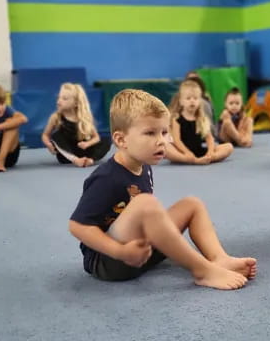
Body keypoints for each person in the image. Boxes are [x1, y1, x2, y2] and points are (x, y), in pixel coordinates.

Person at [69, 89, 256, 289]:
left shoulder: (144, 166)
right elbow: (77, 226)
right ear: (121, 140)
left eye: (164, 132)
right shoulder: (106, 177)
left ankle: (219, 258)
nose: (161, 141)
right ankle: (202, 271)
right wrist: (119, 251)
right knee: (145, 203)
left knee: (191, 204)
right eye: (150, 133)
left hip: (141, 251)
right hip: (109, 261)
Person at [41, 83, 110, 167]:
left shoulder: (84, 118)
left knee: (106, 141)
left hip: (84, 151)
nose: (58, 101)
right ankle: (76, 160)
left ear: (76, 103)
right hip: (67, 154)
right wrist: (48, 144)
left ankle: (90, 160)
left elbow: (96, 137)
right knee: (56, 135)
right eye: (58, 98)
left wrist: (87, 144)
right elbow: (45, 135)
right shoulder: (56, 117)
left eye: (64, 99)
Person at [165, 80, 233, 165]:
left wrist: (210, 152)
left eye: (195, 98)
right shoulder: (177, 119)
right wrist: (187, 153)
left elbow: (209, 139)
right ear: (181, 101)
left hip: (198, 151)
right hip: (182, 151)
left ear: (200, 101)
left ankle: (208, 158)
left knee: (228, 147)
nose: (192, 101)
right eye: (188, 98)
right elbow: (177, 140)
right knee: (166, 147)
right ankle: (189, 160)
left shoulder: (201, 119)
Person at [0, 82, 28, 172]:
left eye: (2, 103)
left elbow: (23, 119)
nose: (0, 108)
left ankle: (1, 161)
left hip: (6, 155)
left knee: (12, 122)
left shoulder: (6, 110)